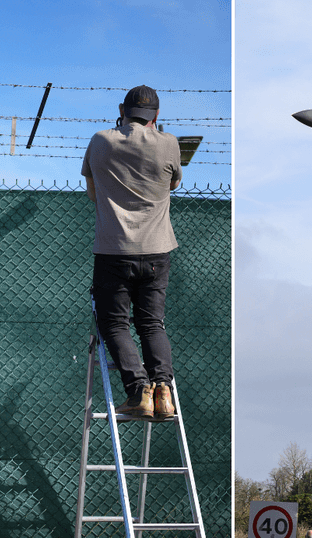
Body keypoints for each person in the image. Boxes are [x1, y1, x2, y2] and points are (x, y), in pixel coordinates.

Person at [81, 85, 183, 420]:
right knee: (152, 323)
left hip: (113, 248)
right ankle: (164, 390)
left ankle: (139, 389)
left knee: (114, 323)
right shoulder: (169, 143)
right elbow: (173, 185)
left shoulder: (101, 140)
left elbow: (92, 191)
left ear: (121, 109)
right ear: (156, 115)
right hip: (157, 249)